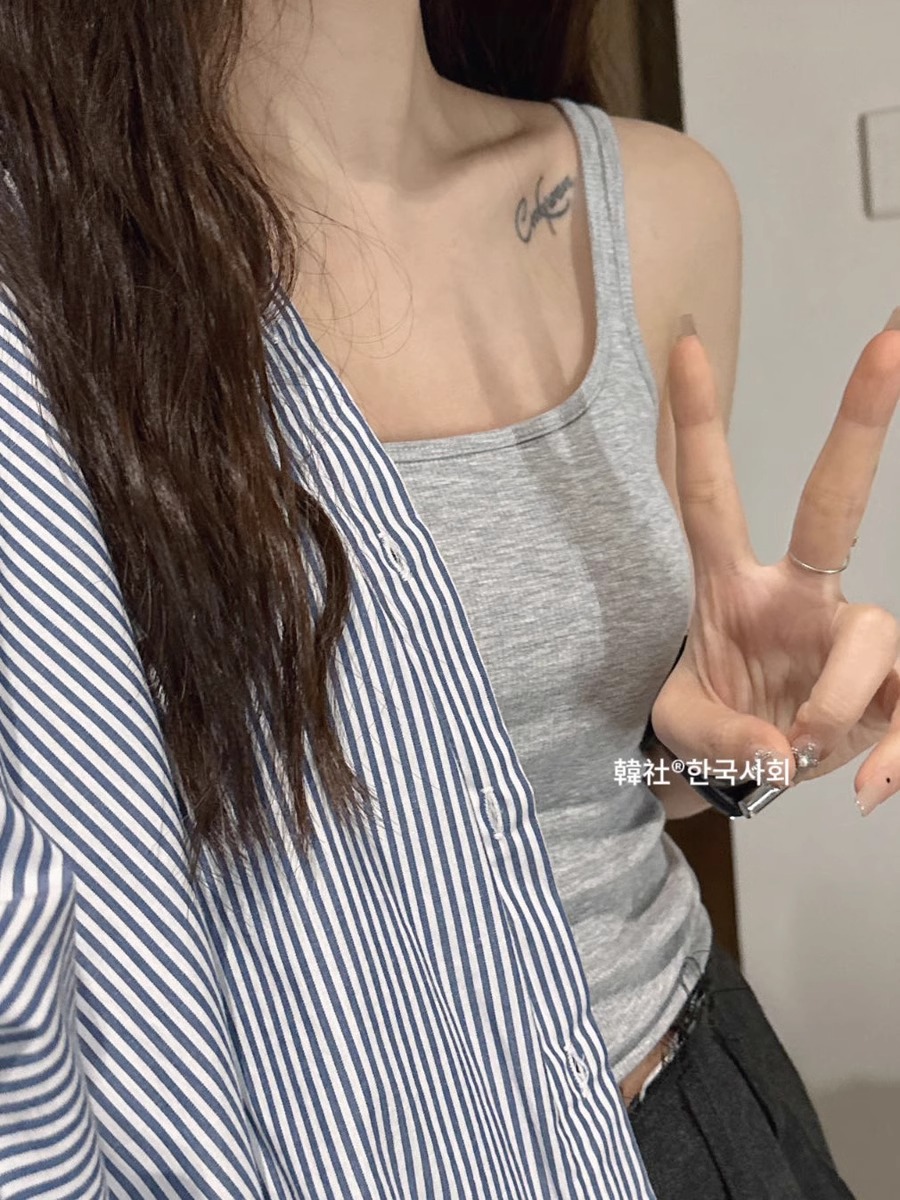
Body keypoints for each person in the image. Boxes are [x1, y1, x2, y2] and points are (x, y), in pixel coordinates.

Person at [0, 1, 898, 1196]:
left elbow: (623, 787)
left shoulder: (655, 201)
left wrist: (752, 751)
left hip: (692, 1110)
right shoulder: (48, 283)